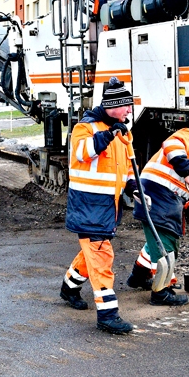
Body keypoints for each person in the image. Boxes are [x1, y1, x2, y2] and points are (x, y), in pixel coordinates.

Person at [60, 77, 137, 334]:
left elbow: (126, 166)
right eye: (126, 105)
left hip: (106, 207)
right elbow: (82, 152)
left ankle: (69, 288)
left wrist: (133, 187)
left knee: (91, 253)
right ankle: (107, 315)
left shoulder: (122, 131)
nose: (129, 110)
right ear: (113, 106)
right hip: (89, 206)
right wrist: (109, 134)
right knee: (102, 257)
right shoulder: (85, 128)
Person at [127, 121, 189, 306]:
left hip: (161, 195)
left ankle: (138, 276)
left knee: (157, 240)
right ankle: (161, 293)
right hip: (158, 194)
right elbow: (171, 144)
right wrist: (187, 171)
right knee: (167, 242)